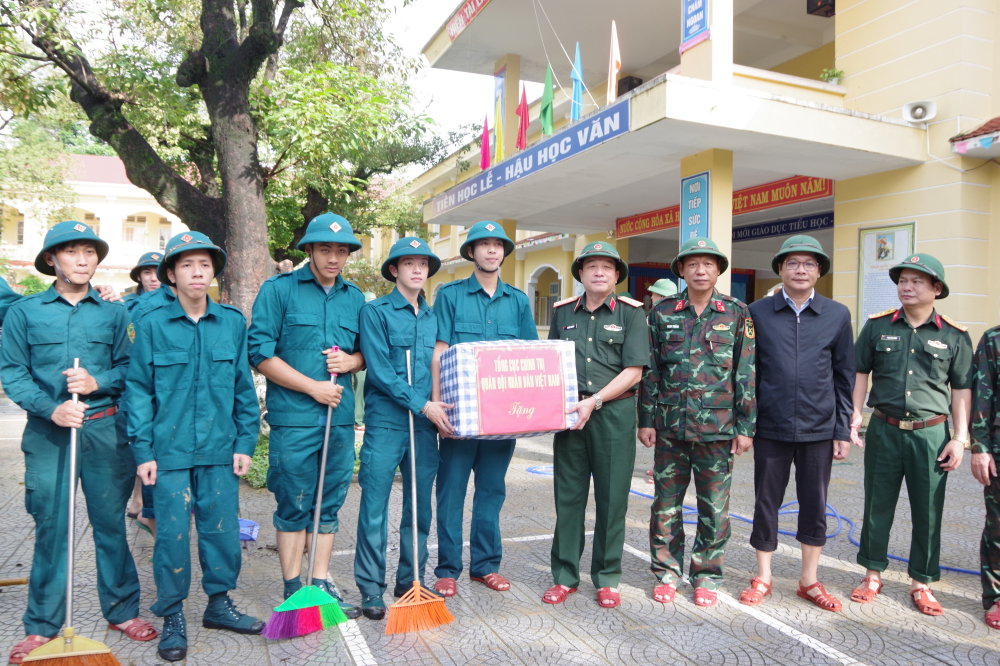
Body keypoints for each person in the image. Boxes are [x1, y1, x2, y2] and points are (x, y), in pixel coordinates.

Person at [1, 221, 154, 665]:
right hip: (49, 433)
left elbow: (130, 369)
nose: (83, 260)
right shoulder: (25, 313)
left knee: (110, 525)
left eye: (90, 252)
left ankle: (122, 611)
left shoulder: (114, 312)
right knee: (51, 526)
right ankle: (41, 625)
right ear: (52, 259)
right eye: (71, 252)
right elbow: (13, 373)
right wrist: (50, 408)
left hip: (105, 431)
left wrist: (95, 381)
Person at [126, 231, 262, 661]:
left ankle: (219, 605)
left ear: (213, 272)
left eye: (204, 264)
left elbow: (243, 388)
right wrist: (143, 452)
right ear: (171, 274)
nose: (197, 272)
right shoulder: (151, 324)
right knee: (170, 536)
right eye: (186, 265)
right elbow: (138, 392)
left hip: (220, 449)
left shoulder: (232, 323)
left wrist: (245, 442)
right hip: (168, 453)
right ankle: (172, 616)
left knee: (221, 531)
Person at [247, 213, 364, 618]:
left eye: (341, 251)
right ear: (309, 250)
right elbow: (259, 353)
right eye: (325, 249)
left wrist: (351, 361)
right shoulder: (279, 290)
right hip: (295, 420)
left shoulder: (354, 297)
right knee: (294, 503)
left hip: (339, 420)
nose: (334, 258)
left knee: (328, 505)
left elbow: (367, 352)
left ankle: (320, 584)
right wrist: (312, 387)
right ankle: (293, 589)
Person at [850, 253, 972, 616]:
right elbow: (860, 373)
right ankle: (872, 574)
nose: (907, 287)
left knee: (929, 510)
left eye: (917, 281)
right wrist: (855, 415)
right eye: (903, 280)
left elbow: (961, 390)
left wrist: (960, 438)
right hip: (884, 429)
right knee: (877, 504)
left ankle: (922, 581)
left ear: (936, 288)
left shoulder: (954, 335)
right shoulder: (877, 326)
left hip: (931, 435)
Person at [638, 237, 755, 608]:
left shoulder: (736, 312)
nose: (700, 271)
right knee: (665, 505)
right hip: (670, 427)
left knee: (714, 509)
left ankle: (706, 575)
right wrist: (646, 419)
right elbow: (651, 370)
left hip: (717, 430)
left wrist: (746, 427)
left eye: (707, 264)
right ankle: (667, 572)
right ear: (682, 270)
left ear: (718, 270)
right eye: (692, 264)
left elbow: (746, 373)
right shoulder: (663, 312)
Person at [739, 236, 854, 611]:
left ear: (819, 271)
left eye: (808, 263)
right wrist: (747, 425)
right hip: (770, 428)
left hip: (819, 429)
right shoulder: (757, 312)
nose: (800, 270)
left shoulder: (837, 314)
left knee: (815, 503)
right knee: (766, 502)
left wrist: (842, 429)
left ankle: (809, 580)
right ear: (780, 269)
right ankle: (763, 576)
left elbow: (844, 377)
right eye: (792, 263)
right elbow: (748, 373)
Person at [430, 221, 537, 597]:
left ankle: (485, 566)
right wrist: (438, 406)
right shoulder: (450, 296)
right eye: (484, 244)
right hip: (459, 417)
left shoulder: (518, 301)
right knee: (451, 492)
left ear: (504, 253)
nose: (492, 250)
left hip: (502, 419)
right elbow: (439, 352)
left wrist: (529, 412)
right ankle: (447, 568)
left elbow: (530, 357)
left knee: (491, 491)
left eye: (498, 245)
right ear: (471, 252)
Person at [542, 242, 647, 608]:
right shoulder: (562, 313)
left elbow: (634, 371)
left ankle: (607, 577)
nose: (599, 272)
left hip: (613, 415)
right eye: (592, 267)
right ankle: (565, 575)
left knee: (612, 498)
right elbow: (550, 364)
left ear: (617, 275)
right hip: (571, 415)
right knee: (568, 497)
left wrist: (596, 400)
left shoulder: (632, 314)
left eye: (606, 267)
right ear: (581, 274)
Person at [354, 237, 454, 620]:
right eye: (409, 263)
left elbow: (443, 367)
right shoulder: (375, 312)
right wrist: (422, 404)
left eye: (423, 264)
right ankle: (371, 588)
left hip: (425, 427)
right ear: (394, 270)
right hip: (387, 424)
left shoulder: (434, 318)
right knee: (374, 508)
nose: (417, 269)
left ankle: (411, 579)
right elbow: (380, 372)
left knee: (419, 507)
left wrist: (440, 410)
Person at [123, 251, 163, 534]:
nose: (153, 278)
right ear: (139, 276)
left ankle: (142, 503)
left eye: (157, 271)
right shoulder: (131, 306)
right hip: (137, 387)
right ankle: (143, 506)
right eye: (147, 272)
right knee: (142, 445)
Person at [972, 322, 1000, 629]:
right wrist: (980, 446)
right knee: (998, 526)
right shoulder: (995, 338)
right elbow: (982, 393)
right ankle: (997, 597)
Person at [354, 291, 377, 431]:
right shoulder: (358, 317)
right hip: (359, 357)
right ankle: (358, 420)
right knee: (360, 385)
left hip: (372, 357)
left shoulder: (375, 315)